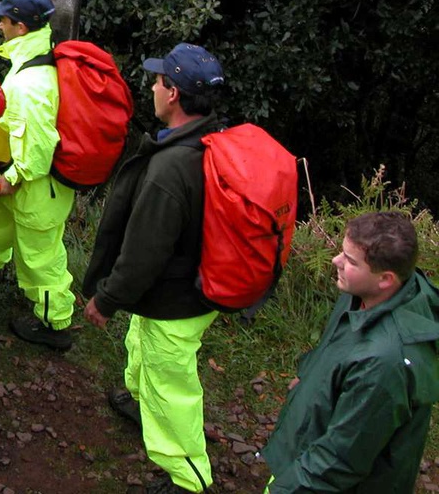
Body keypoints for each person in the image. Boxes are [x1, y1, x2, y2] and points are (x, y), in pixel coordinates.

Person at [82, 43, 227, 494]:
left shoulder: (170, 169)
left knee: (172, 382)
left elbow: (144, 252)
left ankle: (190, 478)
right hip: (196, 283)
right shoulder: (211, 139)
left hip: (177, 297)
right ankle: (139, 400)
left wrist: (106, 299)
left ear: (175, 95)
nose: (151, 86)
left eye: (159, 80)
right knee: (142, 341)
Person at [260, 211, 439, 493]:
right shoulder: (364, 294)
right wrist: (309, 378)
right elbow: (337, 347)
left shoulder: (384, 363)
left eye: (350, 260)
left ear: (386, 279)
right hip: (310, 446)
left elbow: (338, 461)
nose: (335, 261)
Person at [0, 0, 76, 350]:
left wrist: (12, 178)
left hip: (36, 184)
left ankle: (55, 325)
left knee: (40, 258)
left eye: (4, 19)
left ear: (22, 27)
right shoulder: (33, 59)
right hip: (16, 173)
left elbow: (40, 147)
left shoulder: (31, 83)